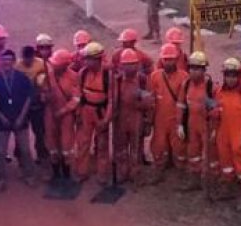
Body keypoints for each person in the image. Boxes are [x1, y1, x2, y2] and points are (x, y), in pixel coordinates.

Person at [213, 57, 241, 204]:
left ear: (238, 76)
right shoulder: (219, 92)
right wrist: (212, 113)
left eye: (233, 76)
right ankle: (228, 186)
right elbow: (216, 110)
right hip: (223, 133)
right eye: (228, 75)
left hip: (240, 135)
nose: (230, 79)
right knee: (225, 160)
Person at [0, 49, 36, 189]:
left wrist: (22, 117)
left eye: (9, 60)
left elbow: (29, 98)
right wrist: (0, 116)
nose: (6, 62)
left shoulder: (23, 78)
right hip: (2, 121)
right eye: (4, 60)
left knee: (25, 150)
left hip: (20, 120)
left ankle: (29, 175)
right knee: (0, 151)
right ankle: (0, 179)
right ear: (1, 62)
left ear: (13, 61)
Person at [147, 43, 188, 179]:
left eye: (171, 59)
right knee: (159, 145)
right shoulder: (154, 77)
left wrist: (182, 122)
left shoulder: (184, 77)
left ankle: (180, 170)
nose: (168, 62)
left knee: (179, 147)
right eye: (166, 59)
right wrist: (149, 119)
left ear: (176, 60)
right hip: (160, 119)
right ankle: (159, 168)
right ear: (161, 60)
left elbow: (186, 102)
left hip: (176, 120)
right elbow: (151, 98)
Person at [73, 42, 112, 185]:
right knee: (83, 143)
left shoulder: (108, 74)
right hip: (85, 111)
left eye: (88, 59)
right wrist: (78, 113)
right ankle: (81, 171)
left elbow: (112, 100)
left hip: (100, 112)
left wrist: (106, 119)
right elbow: (78, 94)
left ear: (97, 59)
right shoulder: (82, 73)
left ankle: (102, 173)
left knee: (102, 144)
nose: (85, 61)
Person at [111, 49, 150, 184]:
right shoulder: (117, 80)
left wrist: (146, 120)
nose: (129, 67)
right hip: (121, 118)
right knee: (120, 147)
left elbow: (148, 102)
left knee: (136, 148)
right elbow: (113, 100)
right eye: (126, 64)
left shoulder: (142, 80)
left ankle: (135, 173)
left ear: (137, 65)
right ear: (121, 66)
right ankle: (122, 172)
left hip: (136, 117)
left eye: (132, 64)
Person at [178, 51, 215, 188]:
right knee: (192, 152)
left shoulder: (210, 86)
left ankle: (207, 181)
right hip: (191, 124)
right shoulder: (186, 84)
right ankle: (194, 179)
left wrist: (214, 127)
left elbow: (215, 108)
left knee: (208, 154)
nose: (194, 72)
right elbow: (181, 105)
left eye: (198, 68)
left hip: (206, 124)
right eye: (192, 68)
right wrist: (180, 125)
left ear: (204, 70)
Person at [42, 49, 80, 183]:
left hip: (66, 116)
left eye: (57, 64)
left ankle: (67, 173)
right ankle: (55, 172)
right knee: (52, 144)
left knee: (66, 146)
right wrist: (45, 96)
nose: (54, 66)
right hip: (50, 114)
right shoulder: (48, 75)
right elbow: (42, 95)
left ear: (65, 65)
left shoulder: (74, 77)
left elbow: (76, 99)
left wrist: (63, 110)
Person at [17, 39, 50, 165]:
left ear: (33, 56)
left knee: (40, 132)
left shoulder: (41, 64)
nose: (27, 61)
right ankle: (21, 158)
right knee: (20, 133)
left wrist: (43, 94)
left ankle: (42, 155)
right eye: (25, 59)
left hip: (37, 105)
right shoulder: (17, 66)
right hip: (22, 105)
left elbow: (46, 82)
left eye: (29, 59)